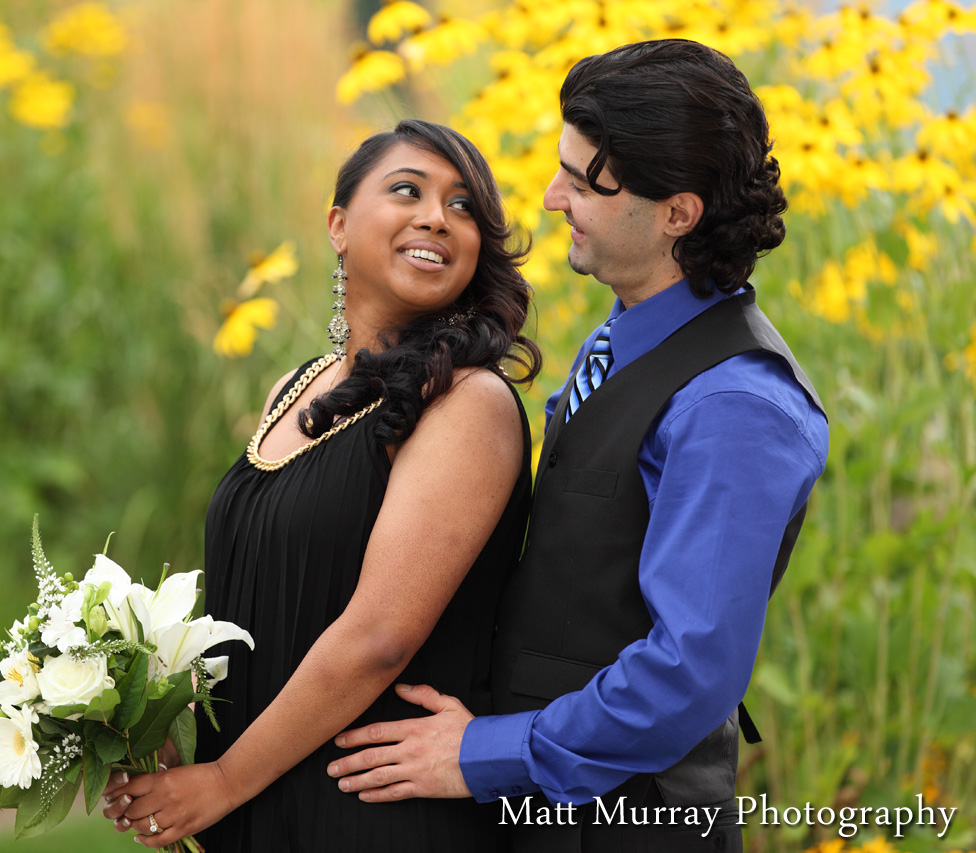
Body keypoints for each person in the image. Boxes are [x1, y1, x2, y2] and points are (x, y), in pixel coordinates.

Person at [327, 39, 830, 853]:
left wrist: (481, 752)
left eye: (585, 181)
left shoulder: (735, 405)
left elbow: (689, 673)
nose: (553, 197)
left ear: (678, 213)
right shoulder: (629, 336)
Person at [100, 119, 542, 850]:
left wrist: (224, 779)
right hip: (259, 793)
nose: (438, 216)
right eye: (408, 190)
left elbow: (378, 636)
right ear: (338, 225)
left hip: (369, 806)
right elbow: (257, 603)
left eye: (464, 207)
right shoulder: (294, 387)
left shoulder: (468, 405)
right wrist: (167, 728)